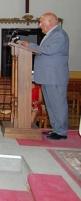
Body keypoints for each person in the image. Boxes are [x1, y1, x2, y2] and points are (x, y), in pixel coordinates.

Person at [20, 12, 69, 140]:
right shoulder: (51, 34)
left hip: (55, 76)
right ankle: (56, 129)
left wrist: (30, 46)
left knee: (57, 103)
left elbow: (49, 50)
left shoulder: (58, 34)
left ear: (51, 22)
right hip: (48, 76)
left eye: (42, 22)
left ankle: (61, 131)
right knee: (51, 104)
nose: (40, 25)